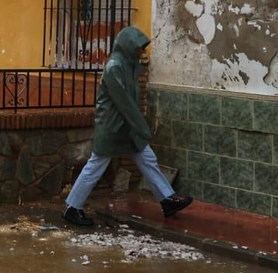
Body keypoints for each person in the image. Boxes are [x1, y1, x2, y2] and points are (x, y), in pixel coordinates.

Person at [63, 25, 193, 227]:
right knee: (96, 165)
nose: (141, 52)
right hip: (112, 126)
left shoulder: (128, 65)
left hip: (126, 126)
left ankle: (167, 199)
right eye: (139, 47)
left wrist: (138, 126)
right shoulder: (115, 67)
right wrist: (142, 127)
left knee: (147, 159)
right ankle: (72, 207)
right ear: (128, 46)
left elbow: (130, 101)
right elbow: (124, 102)